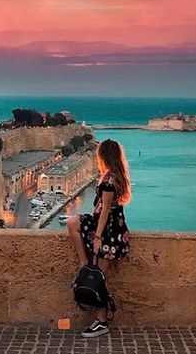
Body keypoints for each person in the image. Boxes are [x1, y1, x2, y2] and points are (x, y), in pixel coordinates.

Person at [67, 139, 131, 338]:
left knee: (99, 280)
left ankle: (101, 321)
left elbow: (105, 211)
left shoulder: (110, 181)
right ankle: (84, 263)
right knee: (72, 223)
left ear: (104, 156)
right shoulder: (115, 176)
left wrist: (97, 236)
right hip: (110, 228)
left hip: (108, 233)